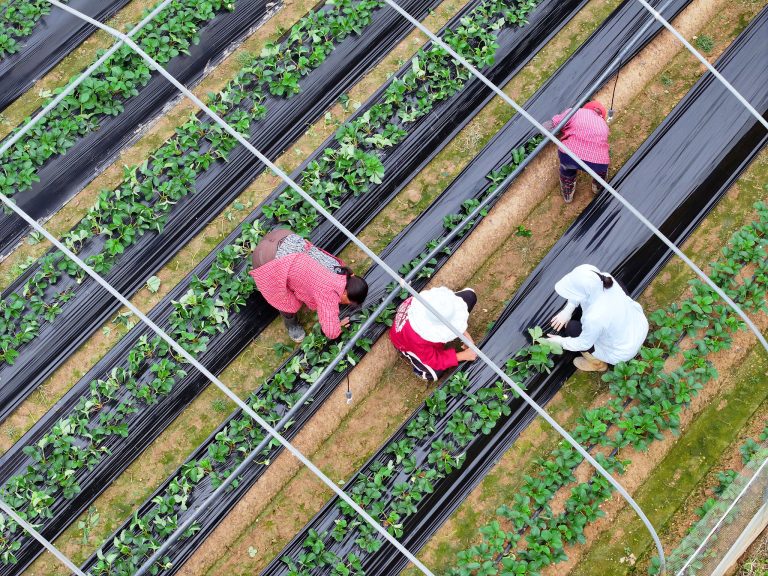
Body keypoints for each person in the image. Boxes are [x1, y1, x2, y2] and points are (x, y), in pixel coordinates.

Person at [249, 228, 368, 343]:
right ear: (345, 292)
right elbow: (331, 332)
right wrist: (339, 327)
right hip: (264, 258)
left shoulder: (338, 267)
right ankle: (291, 324)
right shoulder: (328, 295)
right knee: (285, 301)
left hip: (283, 236)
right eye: (347, 302)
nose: (344, 304)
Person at [545, 264, 648, 372]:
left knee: (572, 328)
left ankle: (597, 364)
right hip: (639, 327)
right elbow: (582, 292)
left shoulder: (594, 318)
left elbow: (584, 343)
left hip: (622, 351)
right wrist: (568, 310)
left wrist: (560, 341)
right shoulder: (606, 279)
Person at [389, 286, 478, 381]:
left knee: (469, 296)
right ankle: (421, 369)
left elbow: (451, 316)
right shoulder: (417, 339)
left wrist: (463, 333)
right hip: (404, 339)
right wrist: (463, 356)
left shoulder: (432, 302)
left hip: (416, 322)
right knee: (433, 373)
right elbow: (434, 360)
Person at [543, 100, 610, 203]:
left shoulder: (576, 111)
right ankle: (597, 185)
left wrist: (542, 130)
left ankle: (568, 192)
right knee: (600, 169)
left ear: (586, 107)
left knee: (567, 169)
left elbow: (555, 122)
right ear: (602, 116)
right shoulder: (604, 125)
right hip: (598, 162)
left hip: (570, 156)